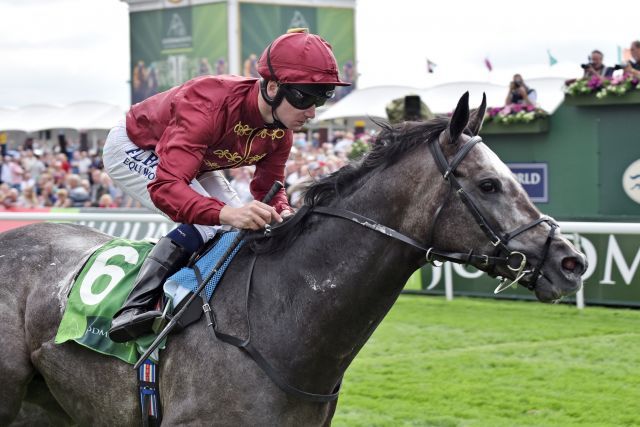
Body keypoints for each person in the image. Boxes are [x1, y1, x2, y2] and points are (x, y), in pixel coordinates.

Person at [102, 28, 350, 342]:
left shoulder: (280, 130)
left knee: (240, 227)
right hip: (137, 146)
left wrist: (284, 213)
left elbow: (269, 189)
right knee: (212, 224)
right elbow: (167, 188)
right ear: (273, 87)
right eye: (307, 99)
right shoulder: (207, 104)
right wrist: (226, 214)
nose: (313, 112)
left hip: (197, 160)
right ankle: (133, 308)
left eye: (322, 99)